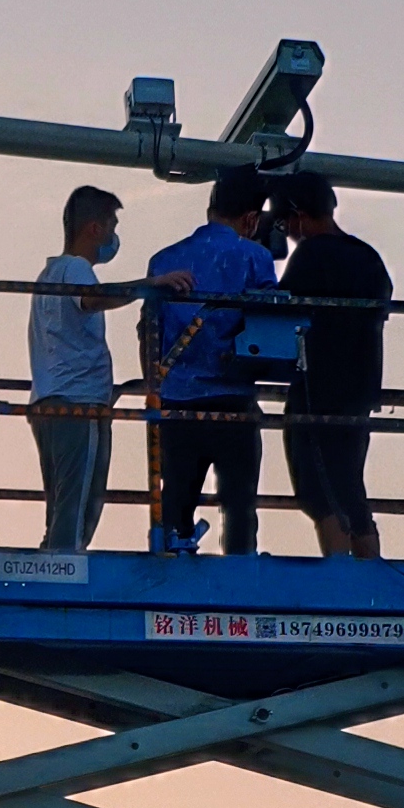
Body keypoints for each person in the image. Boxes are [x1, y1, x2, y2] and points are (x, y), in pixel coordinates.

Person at [24, 186, 187, 552]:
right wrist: (148, 286)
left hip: (50, 400)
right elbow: (92, 300)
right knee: (80, 503)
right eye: (112, 225)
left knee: (64, 501)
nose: (115, 236)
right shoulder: (77, 269)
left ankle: (54, 559)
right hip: (78, 403)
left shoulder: (50, 273)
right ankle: (62, 570)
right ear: (94, 229)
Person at [141, 168, 281, 554]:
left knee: (176, 501)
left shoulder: (164, 260)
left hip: (176, 401)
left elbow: (147, 333)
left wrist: (155, 391)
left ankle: (170, 561)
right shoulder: (255, 256)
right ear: (252, 218)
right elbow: (268, 327)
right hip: (233, 400)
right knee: (239, 505)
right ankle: (239, 572)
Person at [270, 170, 392, 558]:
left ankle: (341, 573)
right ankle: (370, 570)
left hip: (318, 389)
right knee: (350, 484)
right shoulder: (368, 257)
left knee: (319, 489)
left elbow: (278, 310)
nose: (288, 232)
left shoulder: (311, 254)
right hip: (360, 391)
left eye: (287, 222)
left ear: (298, 215)